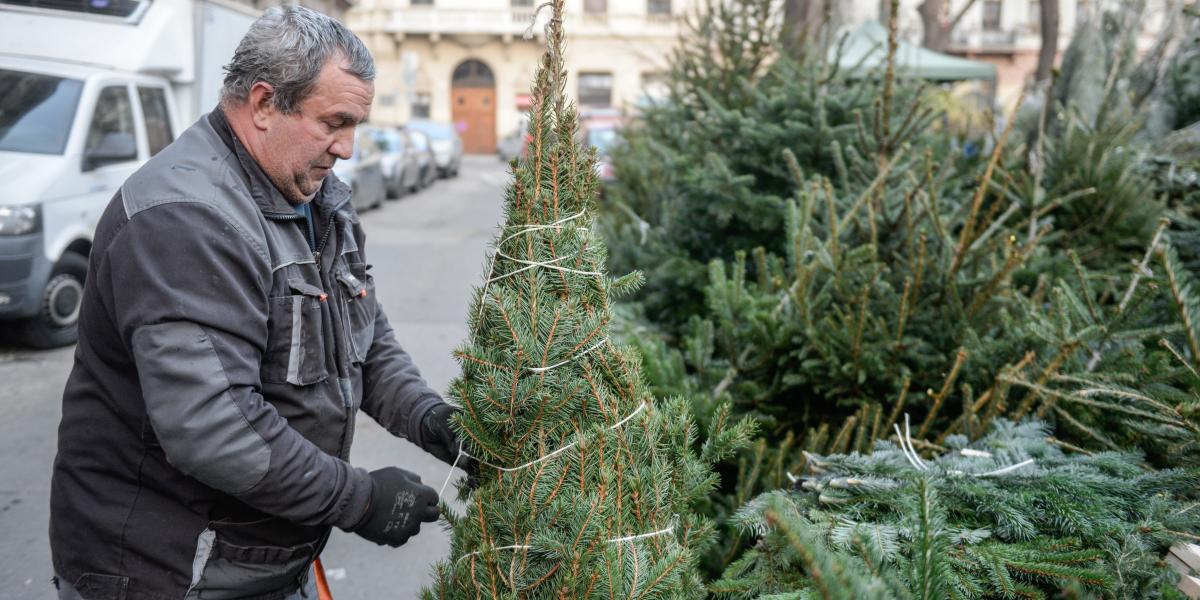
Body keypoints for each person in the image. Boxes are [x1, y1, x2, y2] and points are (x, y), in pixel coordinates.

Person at [48, 6, 469, 599]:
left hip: (262, 564)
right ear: (266, 103)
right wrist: (361, 499)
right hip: (171, 572)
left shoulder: (313, 196)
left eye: (357, 125)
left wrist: (431, 418)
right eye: (335, 122)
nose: (348, 147)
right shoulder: (186, 221)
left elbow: (364, 340)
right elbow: (214, 428)